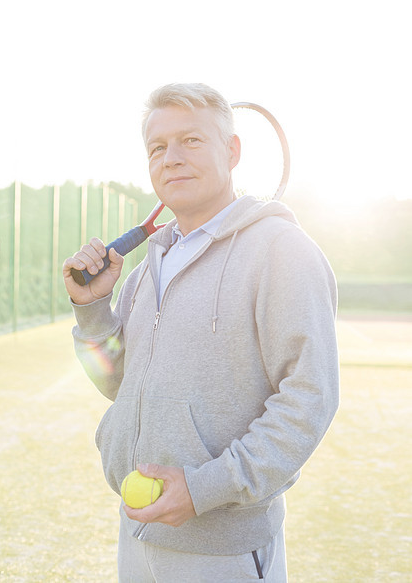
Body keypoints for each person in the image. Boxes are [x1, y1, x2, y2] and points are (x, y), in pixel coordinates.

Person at [62, 83, 339, 582]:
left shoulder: (282, 250)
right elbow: (116, 385)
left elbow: (309, 397)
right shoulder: (148, 266)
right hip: (138, 530)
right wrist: (92, 310)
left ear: (231, 152)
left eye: (191, 140)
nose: (172, 158)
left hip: (222, 551)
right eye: (157, 147)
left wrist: (205, 487)